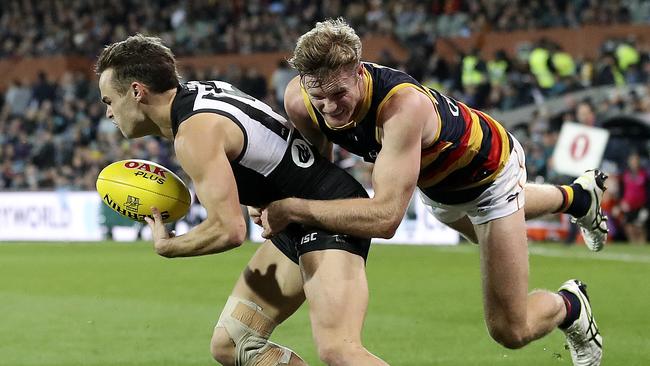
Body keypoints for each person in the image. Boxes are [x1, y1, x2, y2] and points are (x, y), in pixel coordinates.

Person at [261, 19, 605, 365]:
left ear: (360, 72)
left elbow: (385, 218)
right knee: (484, 231)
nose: (331, 107)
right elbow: (319, 174)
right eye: (319, 96)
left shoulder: (401, 109)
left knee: (509, 329)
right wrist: (264, 198)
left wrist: (293, 209)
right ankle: (579, 198)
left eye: (339, 94)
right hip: (435, 188)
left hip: (490, 175)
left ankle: (571, 305)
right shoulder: (300, 100)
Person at [95, 34, 389, 366]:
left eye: (108, 100)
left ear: (137, 91)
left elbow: (229, 231)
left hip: (326, 212)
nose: (108, 113)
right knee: (234, 343)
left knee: (339, 349)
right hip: (294, 217)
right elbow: (262, 139)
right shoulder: (203, 92)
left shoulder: (194, 133)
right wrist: (262, 192)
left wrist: (169, 246)